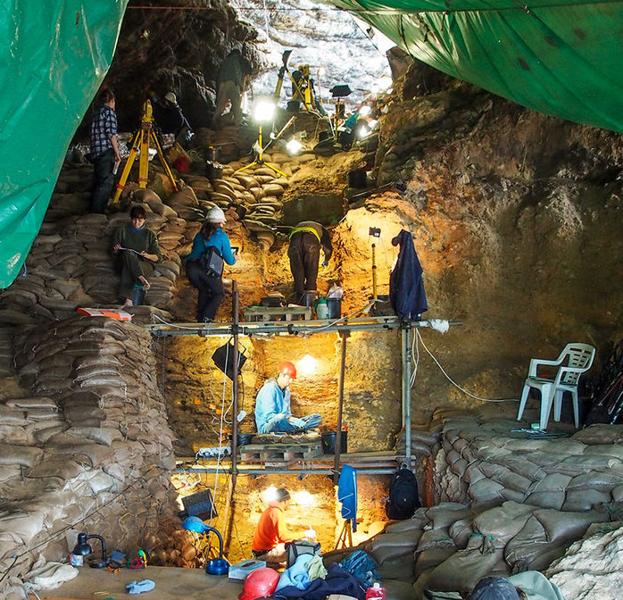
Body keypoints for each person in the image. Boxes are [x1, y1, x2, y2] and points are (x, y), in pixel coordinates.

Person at [185, 206, 236, 323]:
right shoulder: (222, 236)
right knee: (219, 293)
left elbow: (194, 254)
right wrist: (235, 258)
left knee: (204, 289)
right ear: (221, 223)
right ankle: (207, 317)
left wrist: (185, 260)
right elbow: (230, 260)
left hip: (192, 269)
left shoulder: (199, 235)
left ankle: (200, 318)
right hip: (209, 270)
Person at [112, 205, 161, 308]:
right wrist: (116, 250)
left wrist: (147, 255)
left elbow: (158, 257)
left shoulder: (149, 234)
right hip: (125, 261)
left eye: (140, 220)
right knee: (128, 254)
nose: (137, 223)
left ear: (144, 219)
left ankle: (128, 301)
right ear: (131, 218)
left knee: (129, 269)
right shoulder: (122, 231)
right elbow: (112, 252)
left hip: (144, 265)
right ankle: (140, 278)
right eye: (134, 219)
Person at [254, 361, 322, 434]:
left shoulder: (286, 391)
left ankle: (297, 428)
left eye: (292, 379)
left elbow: (287, 414)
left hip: (283, 423)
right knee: (279, 418)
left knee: (316, 418)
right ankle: (295, 429)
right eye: (289, 378)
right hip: (268, 426)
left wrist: (296, 421)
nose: (291, 381)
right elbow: (269, 417)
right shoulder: (269, 389)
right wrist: (288, 420)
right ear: (281, 375)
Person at [251, 487, 315, 564]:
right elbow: (283, 537)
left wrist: (299, 537)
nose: (288, 505)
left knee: (299, 543)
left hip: (261, 551)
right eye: (288, 502)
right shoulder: (276, 512)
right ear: (284, 501)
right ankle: (293, 573)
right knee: (303, 549)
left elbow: (281, 537)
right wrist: (305, 534)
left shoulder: (270, 510)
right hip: (264, 554)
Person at [89, 88, 121, 213]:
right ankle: (97, 212)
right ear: (112, 101)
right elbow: (111, 134)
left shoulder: (95, 113)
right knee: (105, 183)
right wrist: (117, 153)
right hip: (105, 152)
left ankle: (93, 210)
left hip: (95, 151)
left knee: (98, 181)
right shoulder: (109, 113)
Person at [288, 221, 333, 303]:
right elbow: (328, 249)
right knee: (311, 270)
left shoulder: (298, 225)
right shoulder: (323, 229)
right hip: (311, 240)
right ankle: (310, 300)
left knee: (298, 272)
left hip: (295, 241)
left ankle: (298, 300)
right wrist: (326, 260)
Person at [214, 48, 252, 128]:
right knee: (236, 105)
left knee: (220, 107)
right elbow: (248, 70)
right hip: (233, 83)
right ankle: (238, 124)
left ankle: (213, 124)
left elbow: (218, 76)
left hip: (222, 83)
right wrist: (247, 82)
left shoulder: (225, 61)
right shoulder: (240, 59)